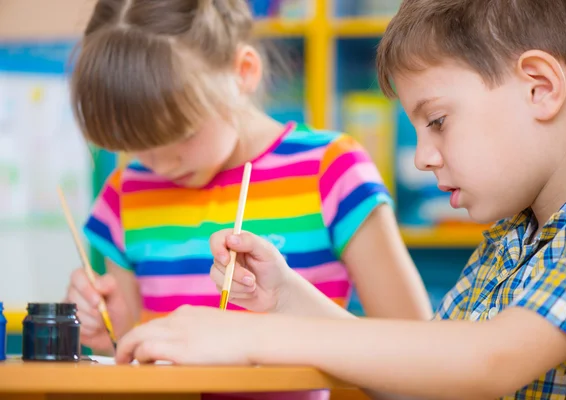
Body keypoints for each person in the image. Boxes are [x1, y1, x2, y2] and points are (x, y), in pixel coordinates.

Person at [113, 0, 566, 399]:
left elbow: (489, 360)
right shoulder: (513, 240)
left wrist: (250, 336)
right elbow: (422, 379)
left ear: (540, 87)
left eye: (436, 121)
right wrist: (286, 299)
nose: (421, 159)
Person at [64, 0, 431, 399]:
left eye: (181, 134)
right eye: (137, 146)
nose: (163, 165)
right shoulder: (126, 192)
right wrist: (114, 332)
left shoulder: (332, 171)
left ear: (243, 72)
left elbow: (417, 353)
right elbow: (141, 357)